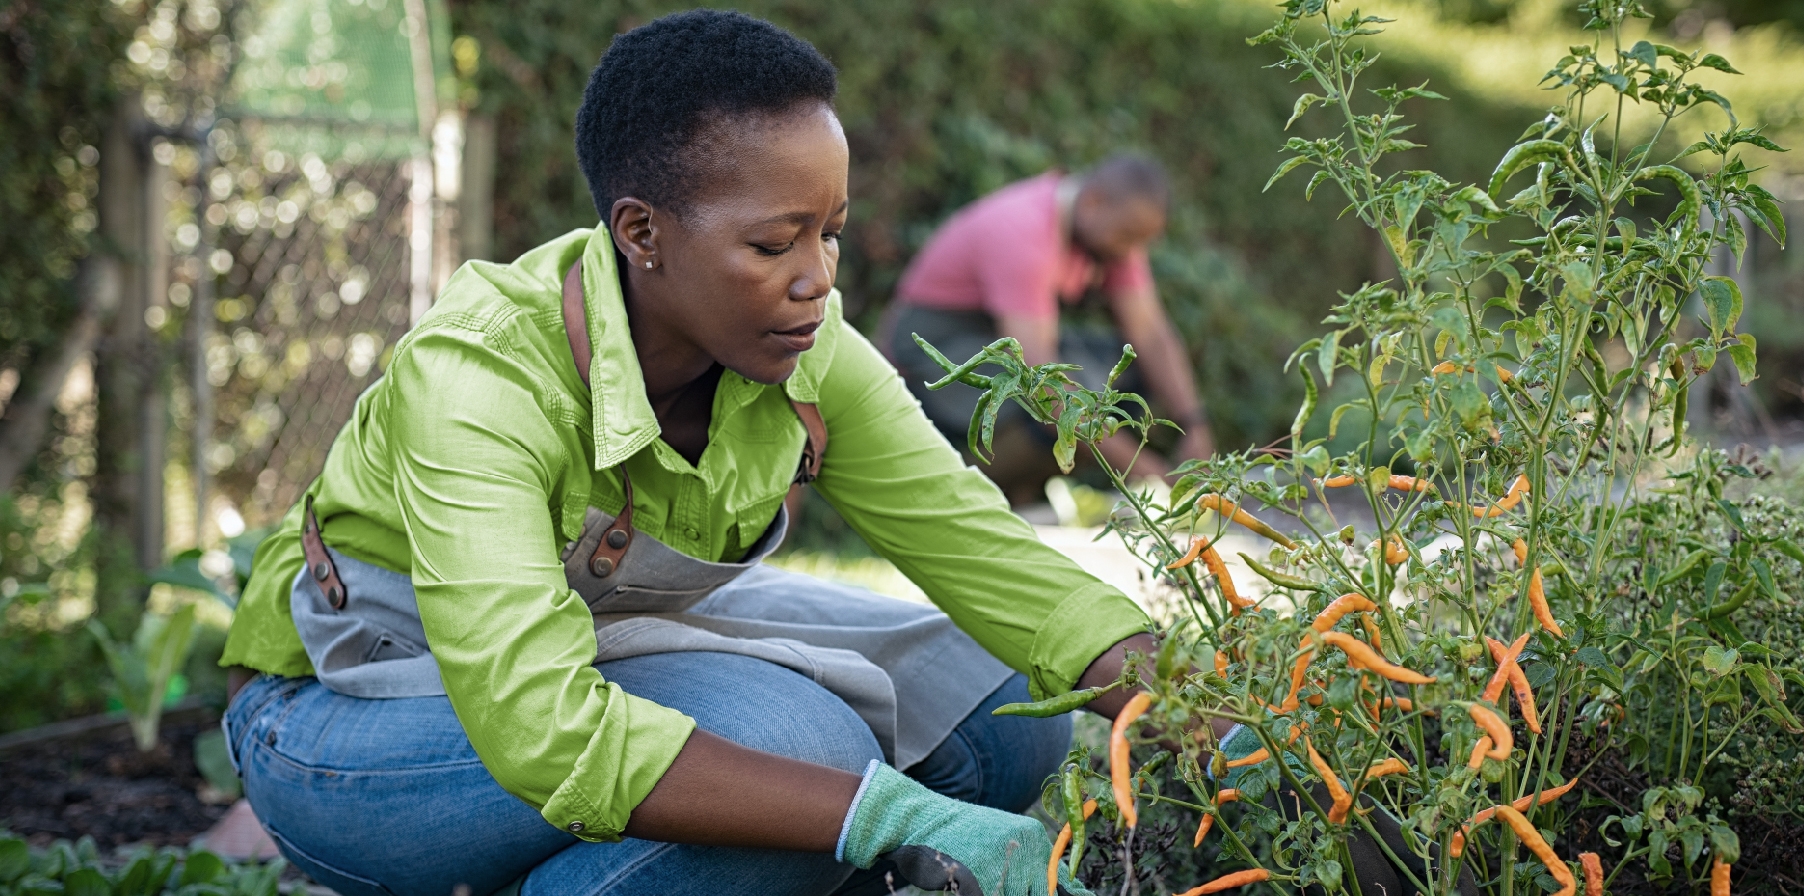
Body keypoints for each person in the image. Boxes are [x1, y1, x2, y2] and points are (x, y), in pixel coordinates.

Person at [216, 12, 1168, 896]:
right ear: (642, 233)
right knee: (810, 756)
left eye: (828, 234)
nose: (817, 280)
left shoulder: (804, 347)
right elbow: (540, 723)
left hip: (602, 641)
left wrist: (1195, 698)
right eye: (772, 243)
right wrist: (885, 815)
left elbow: (975, 548)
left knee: (995, 707)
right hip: (350, 717)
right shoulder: (482, 380)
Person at [881, 156, 1213, 504]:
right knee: (1046, 405)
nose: (1131, 251)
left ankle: (1021, 489)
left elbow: (1151, 336)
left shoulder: (1107, 235)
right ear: (1094, 201)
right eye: (1128, 236)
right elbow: (1044, 386)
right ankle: (948, 492)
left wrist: (1195, 424)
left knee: (1125, 376)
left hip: (993, 340)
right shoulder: (1025, 232)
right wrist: (1148, 472)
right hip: (930, 347)